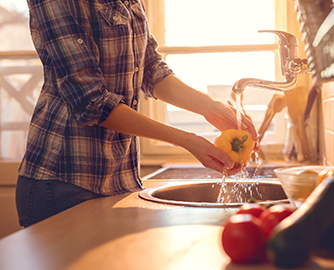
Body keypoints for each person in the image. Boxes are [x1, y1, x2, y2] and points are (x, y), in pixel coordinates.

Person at [15, 0, 258, 227]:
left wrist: (211, 107)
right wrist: (187, 140)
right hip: (62, 182)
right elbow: (90, 100)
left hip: (120, 178)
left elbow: (150, 68)